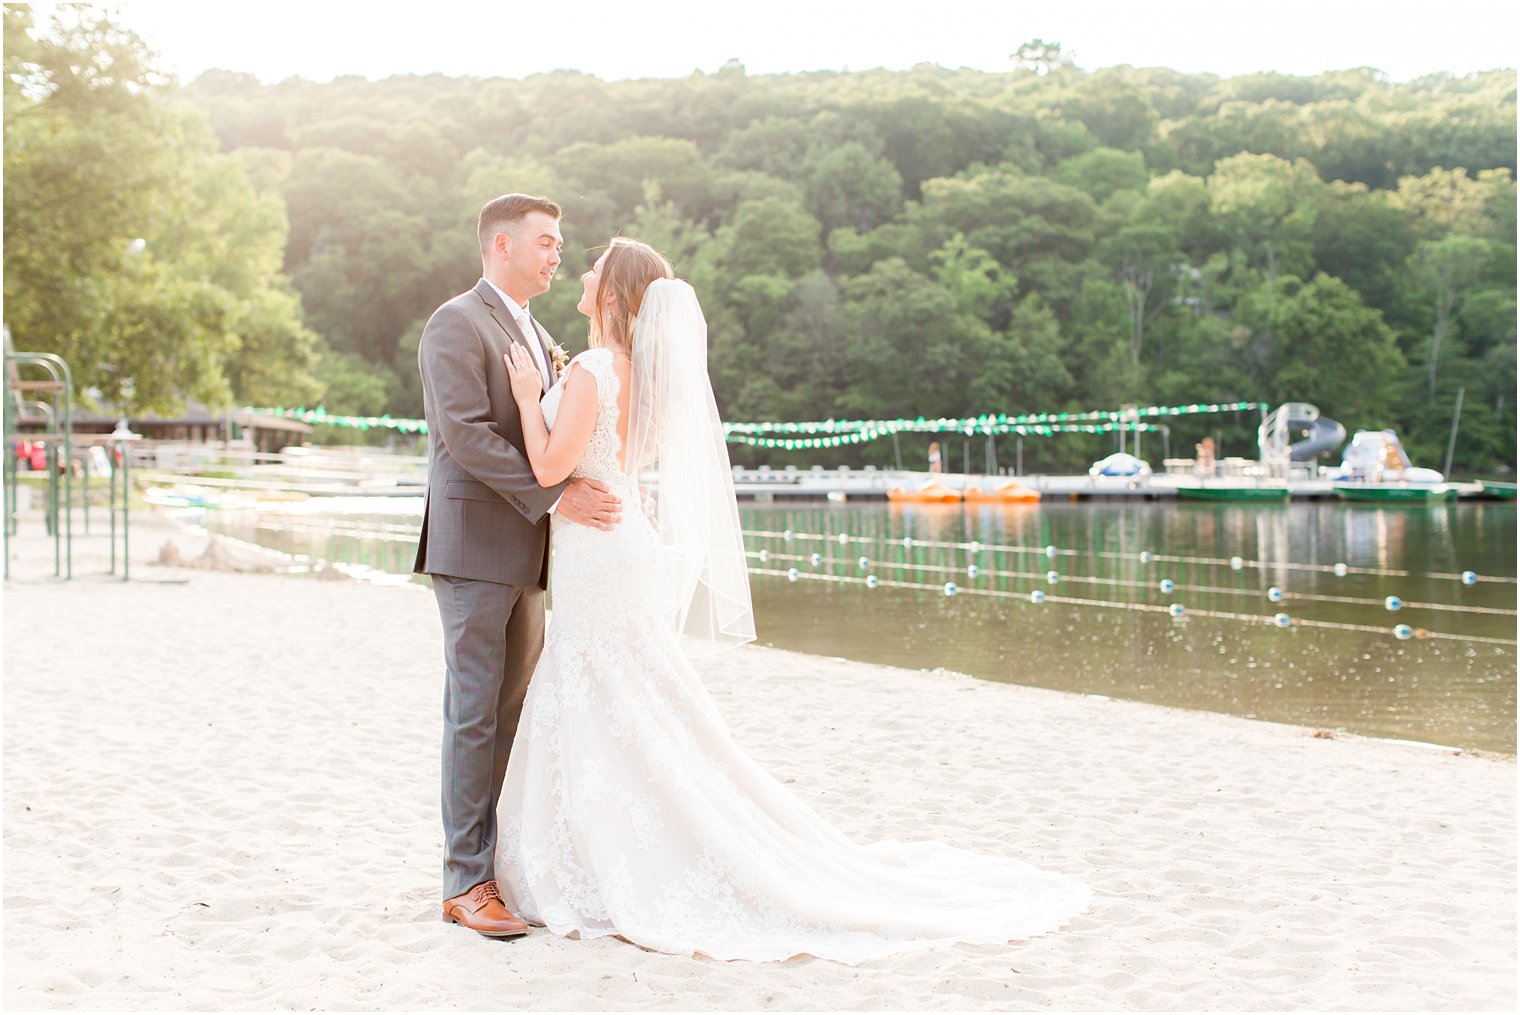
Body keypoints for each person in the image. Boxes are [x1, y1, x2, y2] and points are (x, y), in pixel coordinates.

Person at [495, 237, 1090, 963]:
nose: (582, 274)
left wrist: (529, 400)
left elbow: (552, 464)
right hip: (621, 539)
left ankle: (600, 855)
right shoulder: (641, 373)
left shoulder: (590, 368)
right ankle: (612, 841)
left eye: (594, 268)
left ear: (613, 294)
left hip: (600, 545)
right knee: (627, 688)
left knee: (603, 684)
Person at [413, 193, 623, 938]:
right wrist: (558, 495)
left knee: (511, 713)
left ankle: (501, 870)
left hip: (530, 555)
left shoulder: (539, 333)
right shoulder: (455, 321)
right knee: (473, 713)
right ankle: (464, 881)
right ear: (500, 245)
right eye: (545, 241)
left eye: (562, 243)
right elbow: (464, 435)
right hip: (474, 549)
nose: (557, 253)